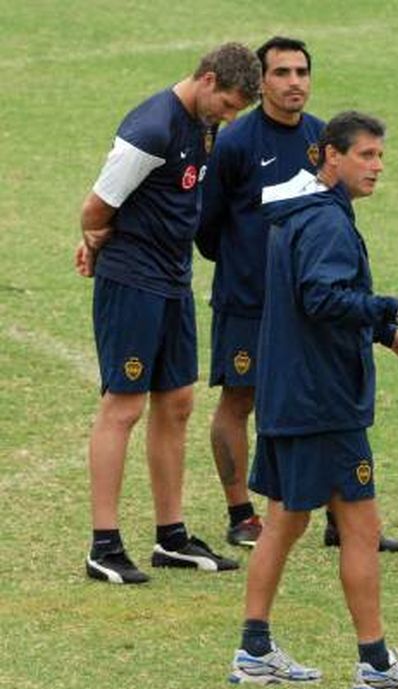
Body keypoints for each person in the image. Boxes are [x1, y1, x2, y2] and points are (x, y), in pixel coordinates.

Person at [227, 111, 398, 689]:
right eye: (365, 156)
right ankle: (376, 665)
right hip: (323, 400)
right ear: (329, 156)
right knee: (360, 526)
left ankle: (254, 651)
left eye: (380, 157)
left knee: (284, 520)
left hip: (289, 394)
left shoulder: (300, 214)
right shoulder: (325, 222)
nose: (376, 167)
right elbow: (325, 297)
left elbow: (318, 302)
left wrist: (388, 333)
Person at [195, 38, 398, 553]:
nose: (295, 82)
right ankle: (242, 512)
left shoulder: (323, 138)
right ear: (260, 81)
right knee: (241, 398)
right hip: (248, 300)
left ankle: (343, 514)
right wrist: (252, 267)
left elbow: (336, 217)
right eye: (283, 72)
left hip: (310, 304)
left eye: (302, 72)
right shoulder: (236, 141)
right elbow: (207, 227)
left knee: (326, 396)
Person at [76, 43, 260, 584]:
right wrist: (93, 239)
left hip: (173, 279)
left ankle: (171, 536)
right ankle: (103, 545)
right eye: (227, 104)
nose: (229, 117)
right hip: (133, 280)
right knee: (124, 406)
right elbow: (95, 206)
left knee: (177, 401)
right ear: (206, 80)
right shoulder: (152, 129)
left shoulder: (205, 124)